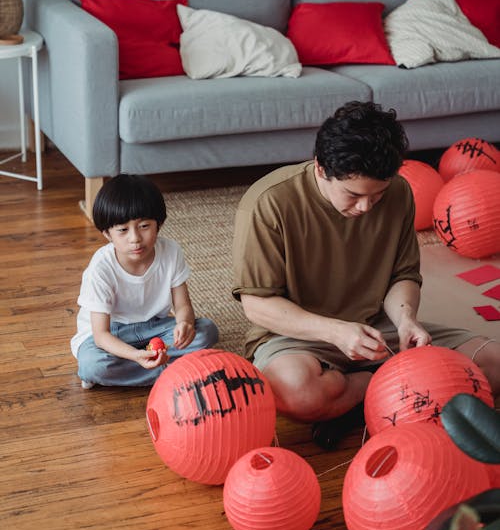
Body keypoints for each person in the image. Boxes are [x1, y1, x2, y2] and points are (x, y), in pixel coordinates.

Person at [232, 101, 500, 449]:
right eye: (354, 195)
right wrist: (335, 331)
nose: (365, 207)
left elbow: (402, 274)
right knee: (295, 393)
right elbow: (257, 305)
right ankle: (400, 392)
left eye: (378, 195)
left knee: (493, 365)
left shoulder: (399, 192)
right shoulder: (268, 203)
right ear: (320, 168)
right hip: (300, 335)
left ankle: (367, 398)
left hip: (379, 329)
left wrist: (406, 321)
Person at [71, 173, 219, 388]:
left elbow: (183, 305)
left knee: (207, 331)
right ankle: (174, 370)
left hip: (154, 327)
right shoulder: (101, 267)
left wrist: (184, 324)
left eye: (144, 226)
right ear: (107, 234)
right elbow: (101, 335)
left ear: (159, 224)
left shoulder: (171, 251)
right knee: (93, 365)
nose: (135, 238)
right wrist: (135, 355)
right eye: (122, 230)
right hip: (112, 333)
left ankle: (131, 372)